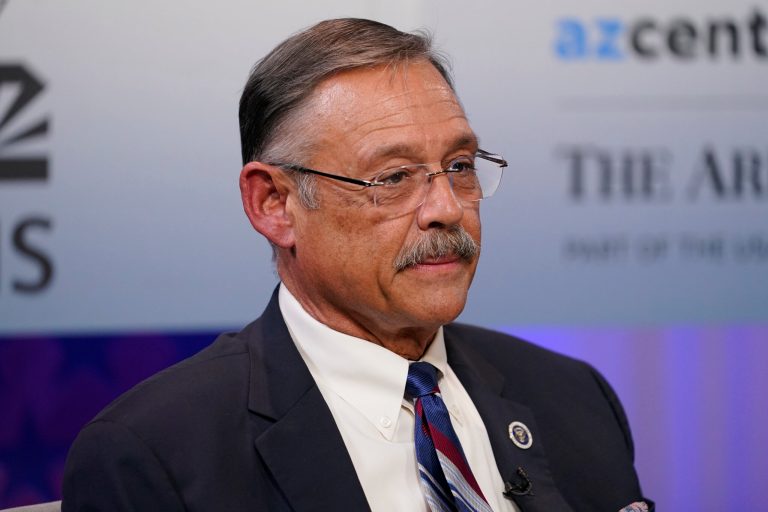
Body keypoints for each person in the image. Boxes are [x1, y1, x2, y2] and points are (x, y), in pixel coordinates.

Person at [62, 18, 652, 512]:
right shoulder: (154, 455)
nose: (446, 208)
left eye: (461, 166)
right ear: (275, 205)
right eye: (393, 177)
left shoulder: (573, 397)